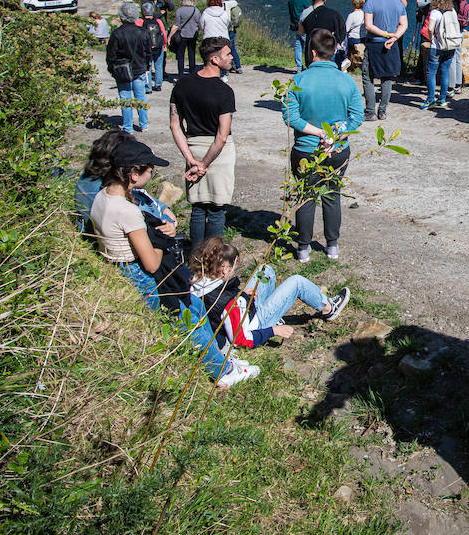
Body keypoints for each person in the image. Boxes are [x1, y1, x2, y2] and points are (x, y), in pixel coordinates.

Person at [86, 137, 256, 389]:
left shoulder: (102, 196)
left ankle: (219, 354)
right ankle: (222, 371)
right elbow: (152, 264)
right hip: (139, 276)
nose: (152, 175)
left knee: (195, 304)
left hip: (119, 265)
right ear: (133, 174)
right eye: (149, 171)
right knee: (186, 318)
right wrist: (160, 242)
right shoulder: (127, 210)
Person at [283, 29, 364, 261]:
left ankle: (303, 248)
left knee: (306, 197)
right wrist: (333, 134)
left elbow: (289, 115)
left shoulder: (298, 80)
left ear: (312, 52)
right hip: (337, 149)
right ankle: (332, 245)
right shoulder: (346, 81)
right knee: (332, 194)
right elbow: (356, 116)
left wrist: (317, 132)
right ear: (333, 51)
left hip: (306, 148)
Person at [192, 238, 350, 353]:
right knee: (297, 282)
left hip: (243, 310)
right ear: (225, 268)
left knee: (264, 271)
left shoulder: (198, 281)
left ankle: (275, 313)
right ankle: (329, 309)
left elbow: (223, 302)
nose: (235, 271)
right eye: (234, 268)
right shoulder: (229, 303)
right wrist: (273, 331)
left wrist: (241, 295)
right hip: (256, 325)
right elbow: (241, 339)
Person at [170, 36, 237, 248]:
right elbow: (222, 135)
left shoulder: (182, 85)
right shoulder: (224, 91)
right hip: (219, 154)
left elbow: (175, 124)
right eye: (227, 54)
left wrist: (191, 159)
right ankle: (212, 258)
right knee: (216, 209)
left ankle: (194, 258)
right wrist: (205, 164)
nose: (231, 57)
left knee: (198, 209)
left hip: (193, 147)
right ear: (215, 59)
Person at [362, 0, 408, 121]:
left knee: (368, 77)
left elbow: (368, 25)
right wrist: (394, 37)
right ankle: (382, 110)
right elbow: (404, 24)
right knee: (387, 78)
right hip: (391, 45)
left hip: (374, 43)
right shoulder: (398, 3)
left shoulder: (371, 2)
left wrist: (386, 34)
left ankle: (370, 111)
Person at [106, 2, 152, 133]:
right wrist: (147, 65)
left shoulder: (116, 33)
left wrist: (111, 69)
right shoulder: (143, 32)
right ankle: (144, 124)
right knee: (141, 97)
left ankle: (128, 127)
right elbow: (148, 52)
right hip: (139, 68)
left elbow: (111, 55)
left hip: (122, 70)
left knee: (125, 99)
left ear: (122, 16)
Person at [422, 0, 461, 109]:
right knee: (445, 72)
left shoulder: (435, 12)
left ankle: (430, 99)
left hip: (437, 46)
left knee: (431, 72)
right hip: (450, 45)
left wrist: (431, 37)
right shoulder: (452, 11)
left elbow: (430, 28)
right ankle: (442, 98)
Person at [300, 0, 346, 67]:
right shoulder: (334, 15)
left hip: (311, 53)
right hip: (329, 52)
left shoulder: (305, 13)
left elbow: (301, 32)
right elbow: (342, 32)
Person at [447, 0, 469, 95]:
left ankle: (450, 88)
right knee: (457, 58)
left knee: (451, 59)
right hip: (460, 31)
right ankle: (458, 85)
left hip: (453, 31)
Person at [168, 0, 203, 79]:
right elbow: (200, 24)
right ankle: (192, 74)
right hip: (193, 35)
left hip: (182, 35)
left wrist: (169, 37)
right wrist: (198, 31)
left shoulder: (180, 10)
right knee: (192, 54)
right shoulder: (196, 10)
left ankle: (180, 75)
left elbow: (176, 25)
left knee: (180, 56)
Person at [139, 3, 167, 92]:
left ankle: (148, 87)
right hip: (159, 46)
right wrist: (165, 44)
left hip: (146, 47)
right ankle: (158, 85)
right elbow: (164, 33)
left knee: (148, 66)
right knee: (158, 66)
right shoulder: (158, 21)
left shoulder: (140, 21)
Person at [288, 0, 312, 71]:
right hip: (304, 25)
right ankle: (309, 65)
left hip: (295, 24)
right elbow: (311, 11)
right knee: (309, 45)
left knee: (298, 45)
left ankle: (299, 66)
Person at [218, 0, 244, 74]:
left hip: (224, 29)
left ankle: (225, 68)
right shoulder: (233, 4)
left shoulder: (222, 5)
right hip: (232, 29)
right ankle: (238, 66)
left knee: (223, 49)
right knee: (232, 48)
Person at [345, 0, 366, 71]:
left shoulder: (352, 15)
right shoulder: (365, 14)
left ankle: (347, 60)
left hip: (353, 39)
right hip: (363, 38)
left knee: (345, 39)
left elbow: (346, 29)